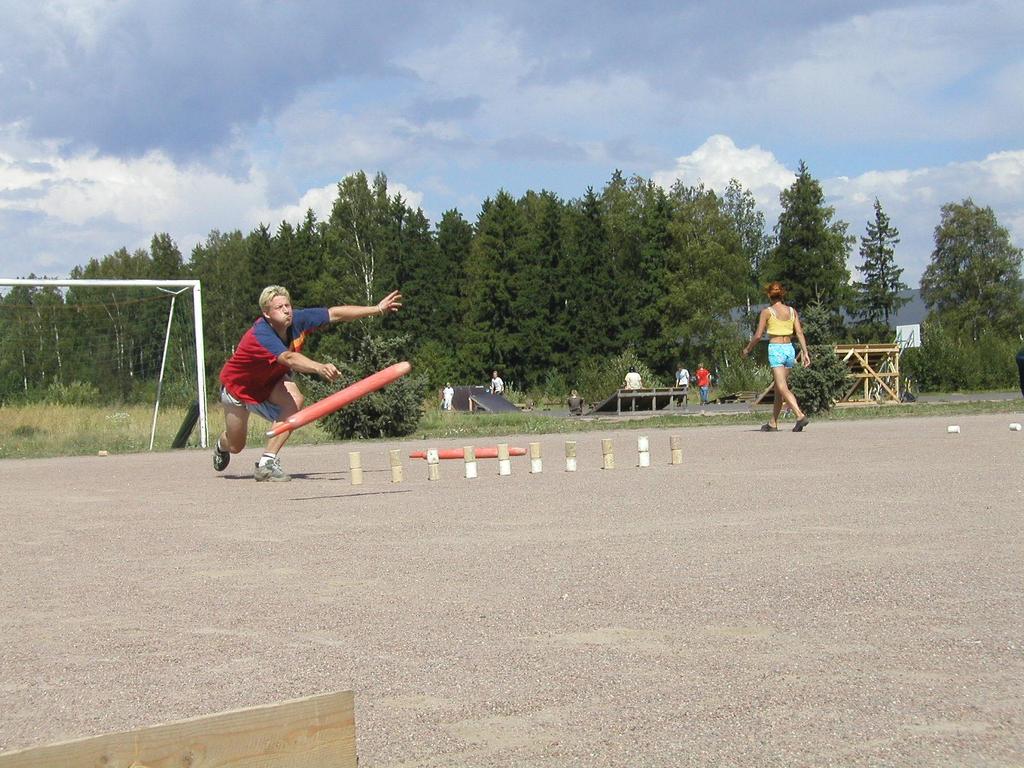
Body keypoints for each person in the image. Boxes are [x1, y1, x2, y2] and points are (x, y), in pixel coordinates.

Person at [214, 285, 402, 481]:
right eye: (279, 307)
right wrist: (318, 367)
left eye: (288, 305)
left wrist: (377, 309)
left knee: (295, 399)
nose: (287, 310)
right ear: (266, 313)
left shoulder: (297, 320)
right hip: (238, 391)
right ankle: (221, 445)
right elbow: (288, 358)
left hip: (269, 383)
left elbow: (334, 313)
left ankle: (266, 463)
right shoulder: (259, 334)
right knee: (236, 446)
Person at [742, 281, 810, 432]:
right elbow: (799, 332)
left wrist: (748, 349)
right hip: (789, 349)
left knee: (781, 386)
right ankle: (773, 423)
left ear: (769, 295)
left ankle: (799, 415)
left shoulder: (767, 312)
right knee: (779, 389)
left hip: (776, 349)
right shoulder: (792, 311)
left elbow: (758, 335)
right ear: (782, 294)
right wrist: (805, 352)